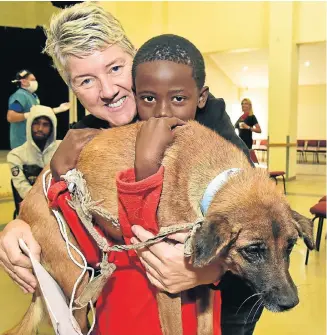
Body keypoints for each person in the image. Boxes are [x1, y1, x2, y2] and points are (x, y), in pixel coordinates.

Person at [0, 3, 262, 334]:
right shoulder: (89, 132)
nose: (107, 91)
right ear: (72, 87)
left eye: (114, 68)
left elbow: (261, 219)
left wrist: (210, 269)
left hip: (229, 301)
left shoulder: (199, 117)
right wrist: (16, 227)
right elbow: (48, 188)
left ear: (135, 59)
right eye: (86, 80)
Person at [7, 105, 61, 200]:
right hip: (30, 205)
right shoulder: (16, 155)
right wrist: (42, 202)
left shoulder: (61, 149)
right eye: (36, 123)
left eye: (45, 125)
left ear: (52, 128)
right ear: (29, 125)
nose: (40, 128)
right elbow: (22, 187)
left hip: (58, 204)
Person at [7, 69, 70, 149]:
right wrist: (29, 115)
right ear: (23, 81)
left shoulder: (33, 96)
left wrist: (59, 109)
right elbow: (11, 117)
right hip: (22, 142)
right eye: (33, 80)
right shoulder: (20, 96)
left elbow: (40, 113)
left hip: (33, 141)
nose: (35, 82)